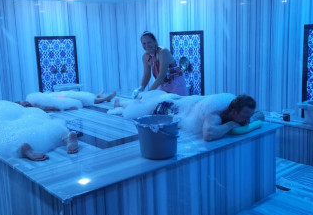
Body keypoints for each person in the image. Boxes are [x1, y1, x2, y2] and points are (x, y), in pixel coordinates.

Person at [110, 91, 264, 141]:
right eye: (245, 117)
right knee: (140, 110)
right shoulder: (215, 112)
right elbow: (208, 134)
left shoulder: (232, 104)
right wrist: (231, 124)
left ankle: (125, 101)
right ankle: (121, 102)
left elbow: (260, 114)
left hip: (182, 104)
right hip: (167, 109)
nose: (247, 121)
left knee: (146, 103)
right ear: (234, 112)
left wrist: (247, 120)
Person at [0, 100, 79, 161]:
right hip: (32, 116)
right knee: (48, 124)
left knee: (6, 134)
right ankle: (67, 137)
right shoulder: (6, 104)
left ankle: (22, 148)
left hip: (15, 120)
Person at [132, 31, 188, 98]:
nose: (147, 45)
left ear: (155, 42)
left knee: (178, 103)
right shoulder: (145, 56)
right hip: (163, 85)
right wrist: (141, 88)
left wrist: (148, 93)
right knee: (161, 104)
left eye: (149, 42)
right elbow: (147, 75)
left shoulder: (163, 52)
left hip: (176, 84)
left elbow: (162, 75)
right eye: (144, 43)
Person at [23, 89, 116, 111]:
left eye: (24, 102)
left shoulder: (32, 98)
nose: (26, 103)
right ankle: (104, 98)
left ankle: (98, 96)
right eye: (25, 105)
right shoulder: (36, 107)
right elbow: (51, 107)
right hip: (59, 100)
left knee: (77, 94)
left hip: (56, 95)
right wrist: (67, 107)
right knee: (81, 99)